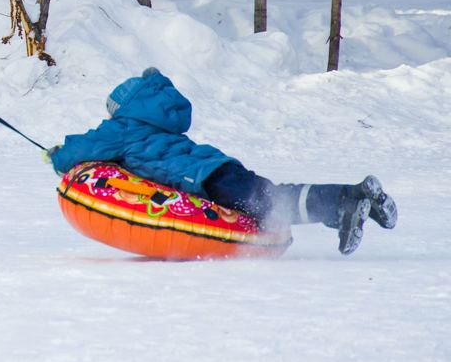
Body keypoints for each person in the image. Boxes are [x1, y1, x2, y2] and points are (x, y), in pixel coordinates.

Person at [47, 68, 397, 255]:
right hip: (218, 166)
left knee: (271, 204)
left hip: (203, 180)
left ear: (121, 110)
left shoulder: (122, 129)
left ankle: (345, 204)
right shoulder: (158, 124)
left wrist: (57, 155)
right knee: (272, 197)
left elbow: (83, 148)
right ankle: (356, 199)